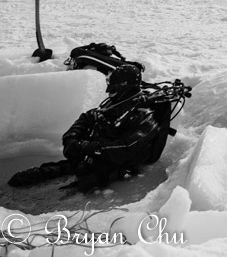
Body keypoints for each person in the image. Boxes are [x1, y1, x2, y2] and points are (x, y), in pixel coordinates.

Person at [8, 65, 168, 191]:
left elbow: (124, 149)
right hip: (86, 160)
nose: (108, 92)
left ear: (125, 88)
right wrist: (71, 138)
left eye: (113, 89)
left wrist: (86, 147)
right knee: (22, 179)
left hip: (108, 170)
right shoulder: (113, 104)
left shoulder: (145, 117)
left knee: (58, 196)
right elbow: (88, 117)